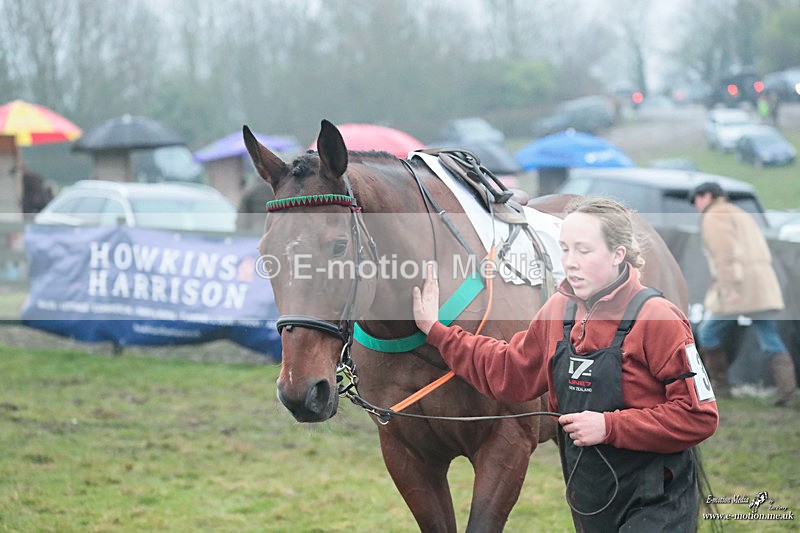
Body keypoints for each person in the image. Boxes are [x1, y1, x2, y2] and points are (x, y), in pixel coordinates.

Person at [412, 197, 719, 531]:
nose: (570, 263)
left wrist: (608, 426)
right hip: (591, 497)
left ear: (618, 255)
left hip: (657, 499)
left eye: (583, 251)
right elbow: (508, 371)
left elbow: (698, 416)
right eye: (565, 250)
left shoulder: (658, 318)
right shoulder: (559, 310)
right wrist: (437, 332)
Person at [690, 181, 796, 407]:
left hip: (739, 289)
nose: (696, 206)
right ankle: (788, 392)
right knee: (769, 338)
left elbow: (725, 255)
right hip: (761, 287)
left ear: (706, 196)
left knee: (708, 333)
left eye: (696, 200)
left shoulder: (715, 216)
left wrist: (731, 288)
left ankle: (720, 388)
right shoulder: (739, 213)